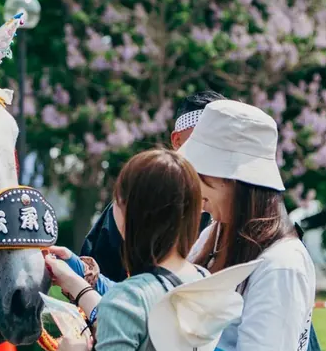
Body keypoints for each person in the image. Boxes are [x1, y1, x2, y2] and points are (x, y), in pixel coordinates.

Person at [47, 149, 215, 351]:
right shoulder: (201, 280)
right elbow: (139, 312)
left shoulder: (127, 301)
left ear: (129, 214)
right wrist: (76, 280)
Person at [177, 99, 317, 351]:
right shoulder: (214, 233)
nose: (196, 194)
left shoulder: (282, 263)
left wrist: (180, 339)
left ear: (232, 180)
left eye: (201, 179)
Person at [79, 90, 226, 284]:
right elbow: (96, 273)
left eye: (220, 142)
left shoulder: (232, 202)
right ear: (177, 140)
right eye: (202, 140)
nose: (212, 150)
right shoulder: (141, 196)